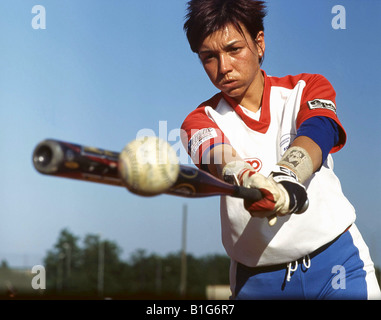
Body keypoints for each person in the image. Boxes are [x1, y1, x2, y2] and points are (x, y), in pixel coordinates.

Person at [180, 0, 381, 300]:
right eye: (209, 57)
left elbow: (320, 130)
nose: (224, 67)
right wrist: (243, 177)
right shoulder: (198, 121)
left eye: (234, 50)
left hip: (337, 266)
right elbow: (216, 155)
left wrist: (287, 178)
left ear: (259, 43)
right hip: (258, 282)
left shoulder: (307, 87)